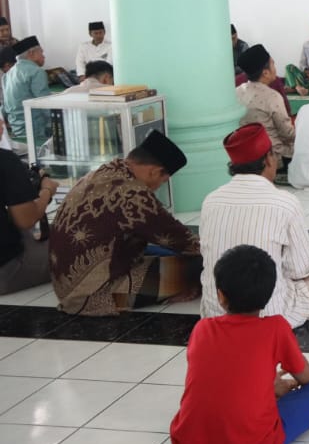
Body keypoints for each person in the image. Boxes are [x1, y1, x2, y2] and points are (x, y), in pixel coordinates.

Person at [171, 245, 309, 444]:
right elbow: (308, 379)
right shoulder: (276, 328)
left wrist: (267, 385)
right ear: (268, 295)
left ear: (220, 295)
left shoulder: (202, 329)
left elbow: (223, 375)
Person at [200, 124, 309, 327]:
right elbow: (299, 271)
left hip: (214, 313)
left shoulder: (211, 200)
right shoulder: (285, 202)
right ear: (268, 159)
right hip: (272, 313)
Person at [49, 131, 202, 316]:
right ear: (154, 171)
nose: (158, 187)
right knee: (201, 265)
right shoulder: (134, 195)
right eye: (162, 181)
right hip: (96, 296)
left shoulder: (105, 171)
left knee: (162, 252)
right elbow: (181, 239)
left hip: (65, 287)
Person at [0, 149, 58, 295]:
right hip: (7, 269)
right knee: (82, 244)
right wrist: (47, 190)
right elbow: (26, 220)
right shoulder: (5, 159)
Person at [236, 45, 295, 164]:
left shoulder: (237, 91)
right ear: (266, 73)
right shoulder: (272, 97)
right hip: (271, 156)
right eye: (273, 64)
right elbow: (287, 134)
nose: (275, 68)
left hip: (244, 153)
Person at [2, 36, 52, 154]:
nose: (44, 56)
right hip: (36, 132)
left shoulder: (7, 74)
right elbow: (45, 104)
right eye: (41, 52)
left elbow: (5, 106)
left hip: (16, 132)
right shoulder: (36, 72)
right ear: (31, 53)